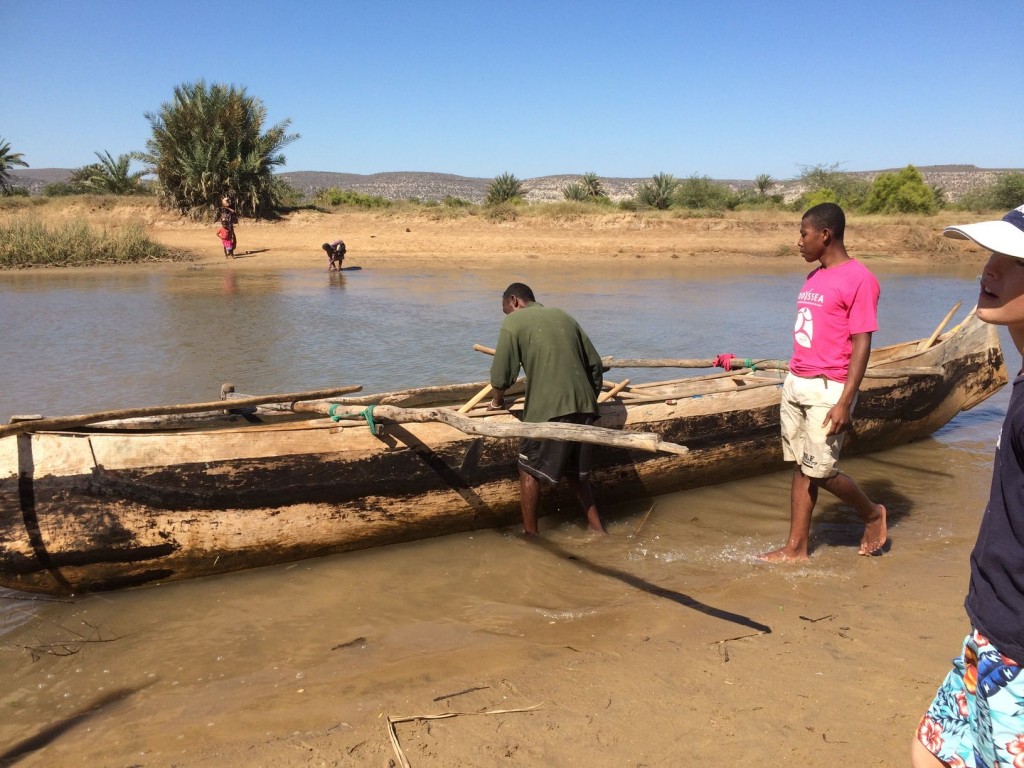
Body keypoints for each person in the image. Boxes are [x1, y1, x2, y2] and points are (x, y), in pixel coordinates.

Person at [911, 205, 1024, 768]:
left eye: (1011, 260)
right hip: (991, 630)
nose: (989, 270)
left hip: (1017, 646)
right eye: (990, 254)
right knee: (930, 749)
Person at [761, 202, 887, 562]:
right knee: (803, 467)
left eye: (803, 234)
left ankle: (872, 514)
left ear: (825, 234)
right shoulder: (815, 276)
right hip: (797, 381)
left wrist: (846, 399)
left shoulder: (860, 278)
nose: (799, 241)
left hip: (829, 387)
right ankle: (796, 549)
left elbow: (862, 340)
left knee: (823, 470)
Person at [488, 282, 606, 536]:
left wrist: (497, 401)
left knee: (528, 467)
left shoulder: (514, 322)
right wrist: (587, 400)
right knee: (576, 474)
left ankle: (531, 537)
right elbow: (595, 366)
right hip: (585, 406)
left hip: (548, 410)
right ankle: (599, 531)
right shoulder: (564, 316)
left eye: (506, 309)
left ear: (514, 301)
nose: (506, 315)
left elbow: (502, 377)